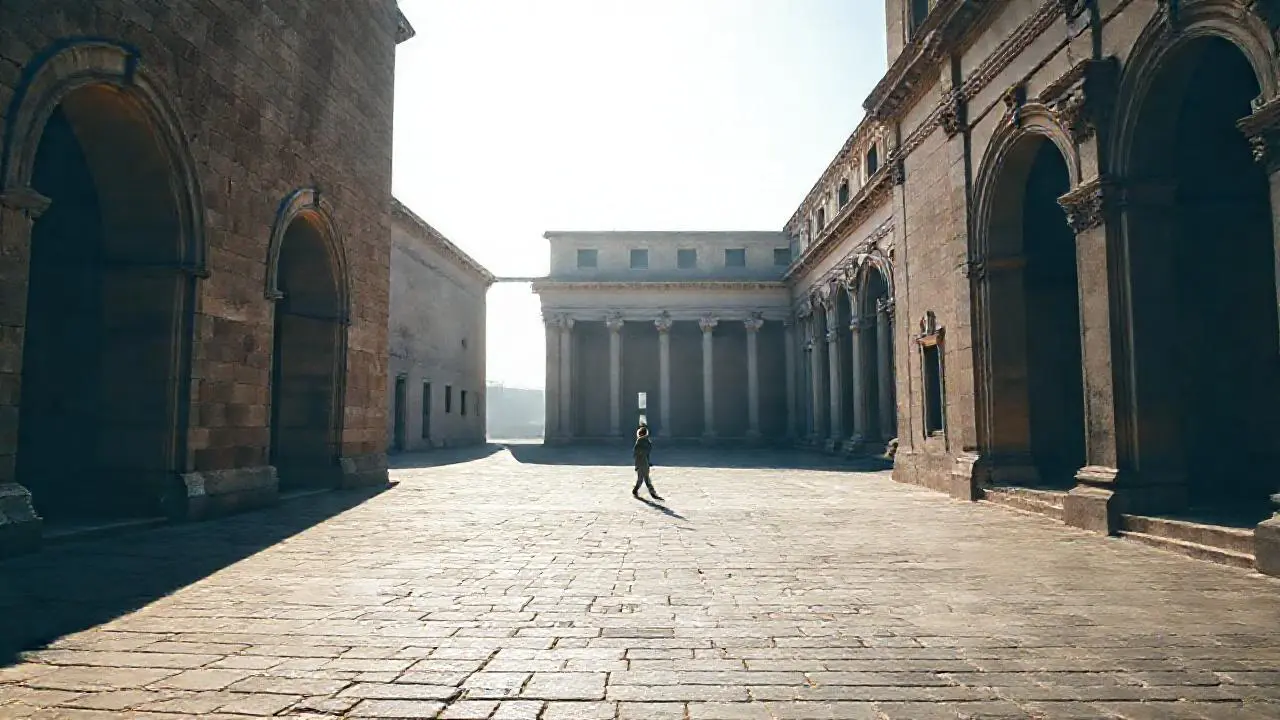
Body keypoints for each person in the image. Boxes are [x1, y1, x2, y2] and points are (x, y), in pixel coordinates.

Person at [632, 424, 663, 501]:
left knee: (642, 478)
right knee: (645, 478)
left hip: (640, 462)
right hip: (645, 462)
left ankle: (636, 490)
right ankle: (651, 492)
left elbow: (636, 454)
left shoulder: (639, 441)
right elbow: (647, 453)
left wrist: (636, 465)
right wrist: (648, 462)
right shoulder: (648, 441)